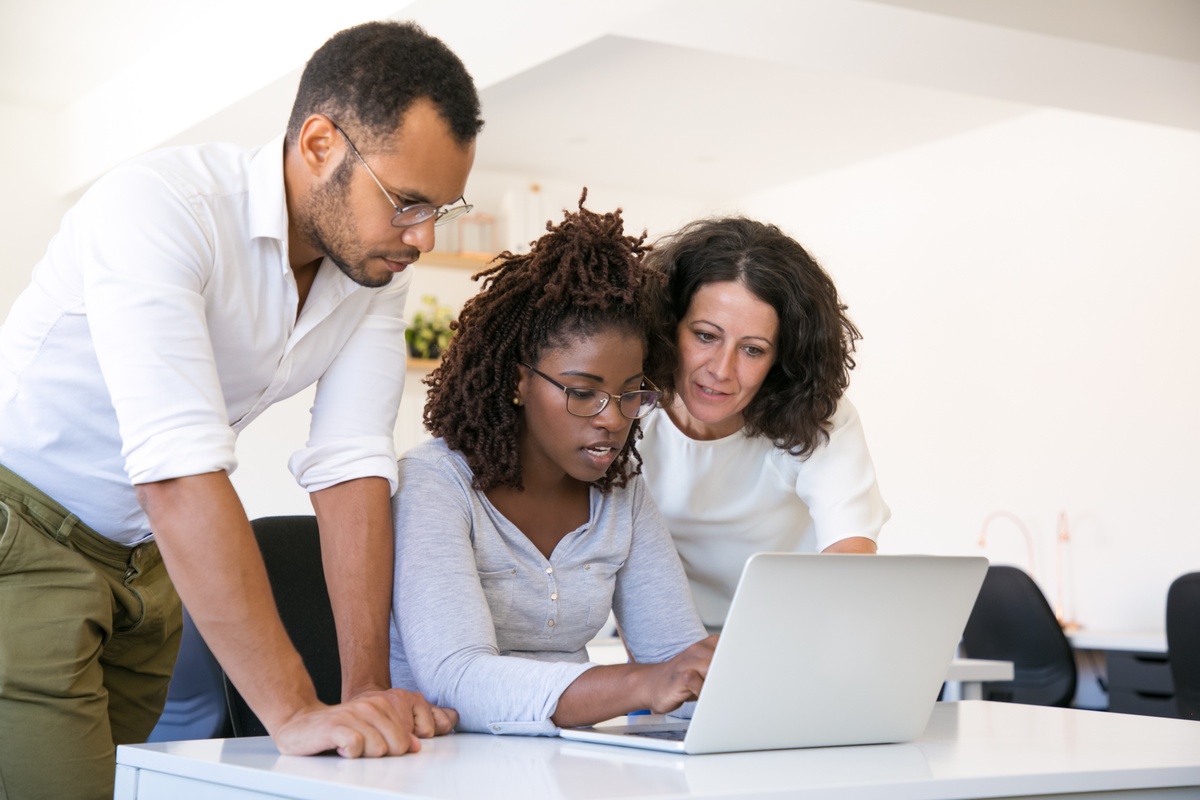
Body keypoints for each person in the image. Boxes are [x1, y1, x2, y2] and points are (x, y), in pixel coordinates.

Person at [0, 21, 481, 799]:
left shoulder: (372, 273)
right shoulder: (160, 208)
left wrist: (364, 690)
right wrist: (291, 710)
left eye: (441, 209)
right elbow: (177, 471)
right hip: (22, 537)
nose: (421, 236)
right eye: (406, 202)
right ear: (320, 144)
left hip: (145, 562)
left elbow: (352, 465)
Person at [389, 195, 714, 734]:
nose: (613, 419)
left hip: (565, 765)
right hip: (438, 767)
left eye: (632, 393)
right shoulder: (435, 484)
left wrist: (714, 675)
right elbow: (457, 680)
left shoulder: (621, 495)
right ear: (520, 381)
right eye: (584, 393)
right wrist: (640, 683)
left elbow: (676, 667)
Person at [639, 217, 890, 630]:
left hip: (800, 630)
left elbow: (851, 555)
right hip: (675, 639)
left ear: (780, 358)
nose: (721, 370)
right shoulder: (631, 412)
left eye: (752, 350)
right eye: (705, 336)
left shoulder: (818, 416)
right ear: (669, 326)